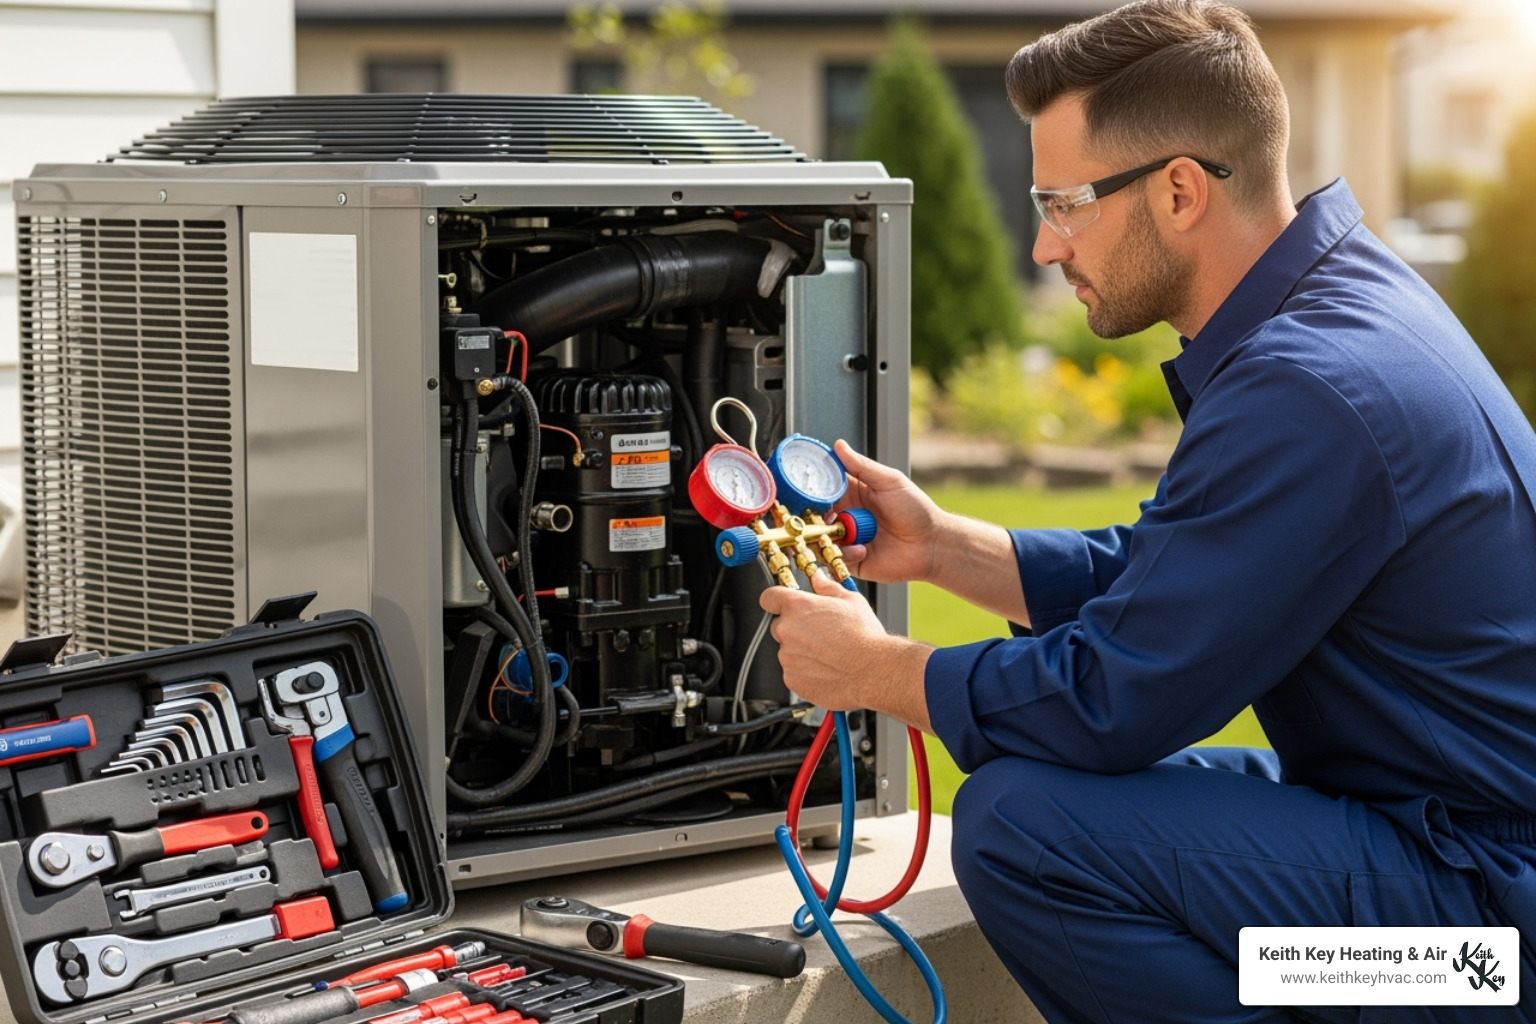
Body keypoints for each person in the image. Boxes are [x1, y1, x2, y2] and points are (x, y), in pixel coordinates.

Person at [760, 1, 1536, 1021]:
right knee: (1058, 797)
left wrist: (881, 672)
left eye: (1065, 203)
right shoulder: (1341, 303)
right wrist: (946, 548)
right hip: (1449, 845)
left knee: (1025, 828)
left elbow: (1115, 699)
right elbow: (1186, 576)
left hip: (1480, 941)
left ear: (1178, 191)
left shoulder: (1311, 384)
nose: (1042, 245)